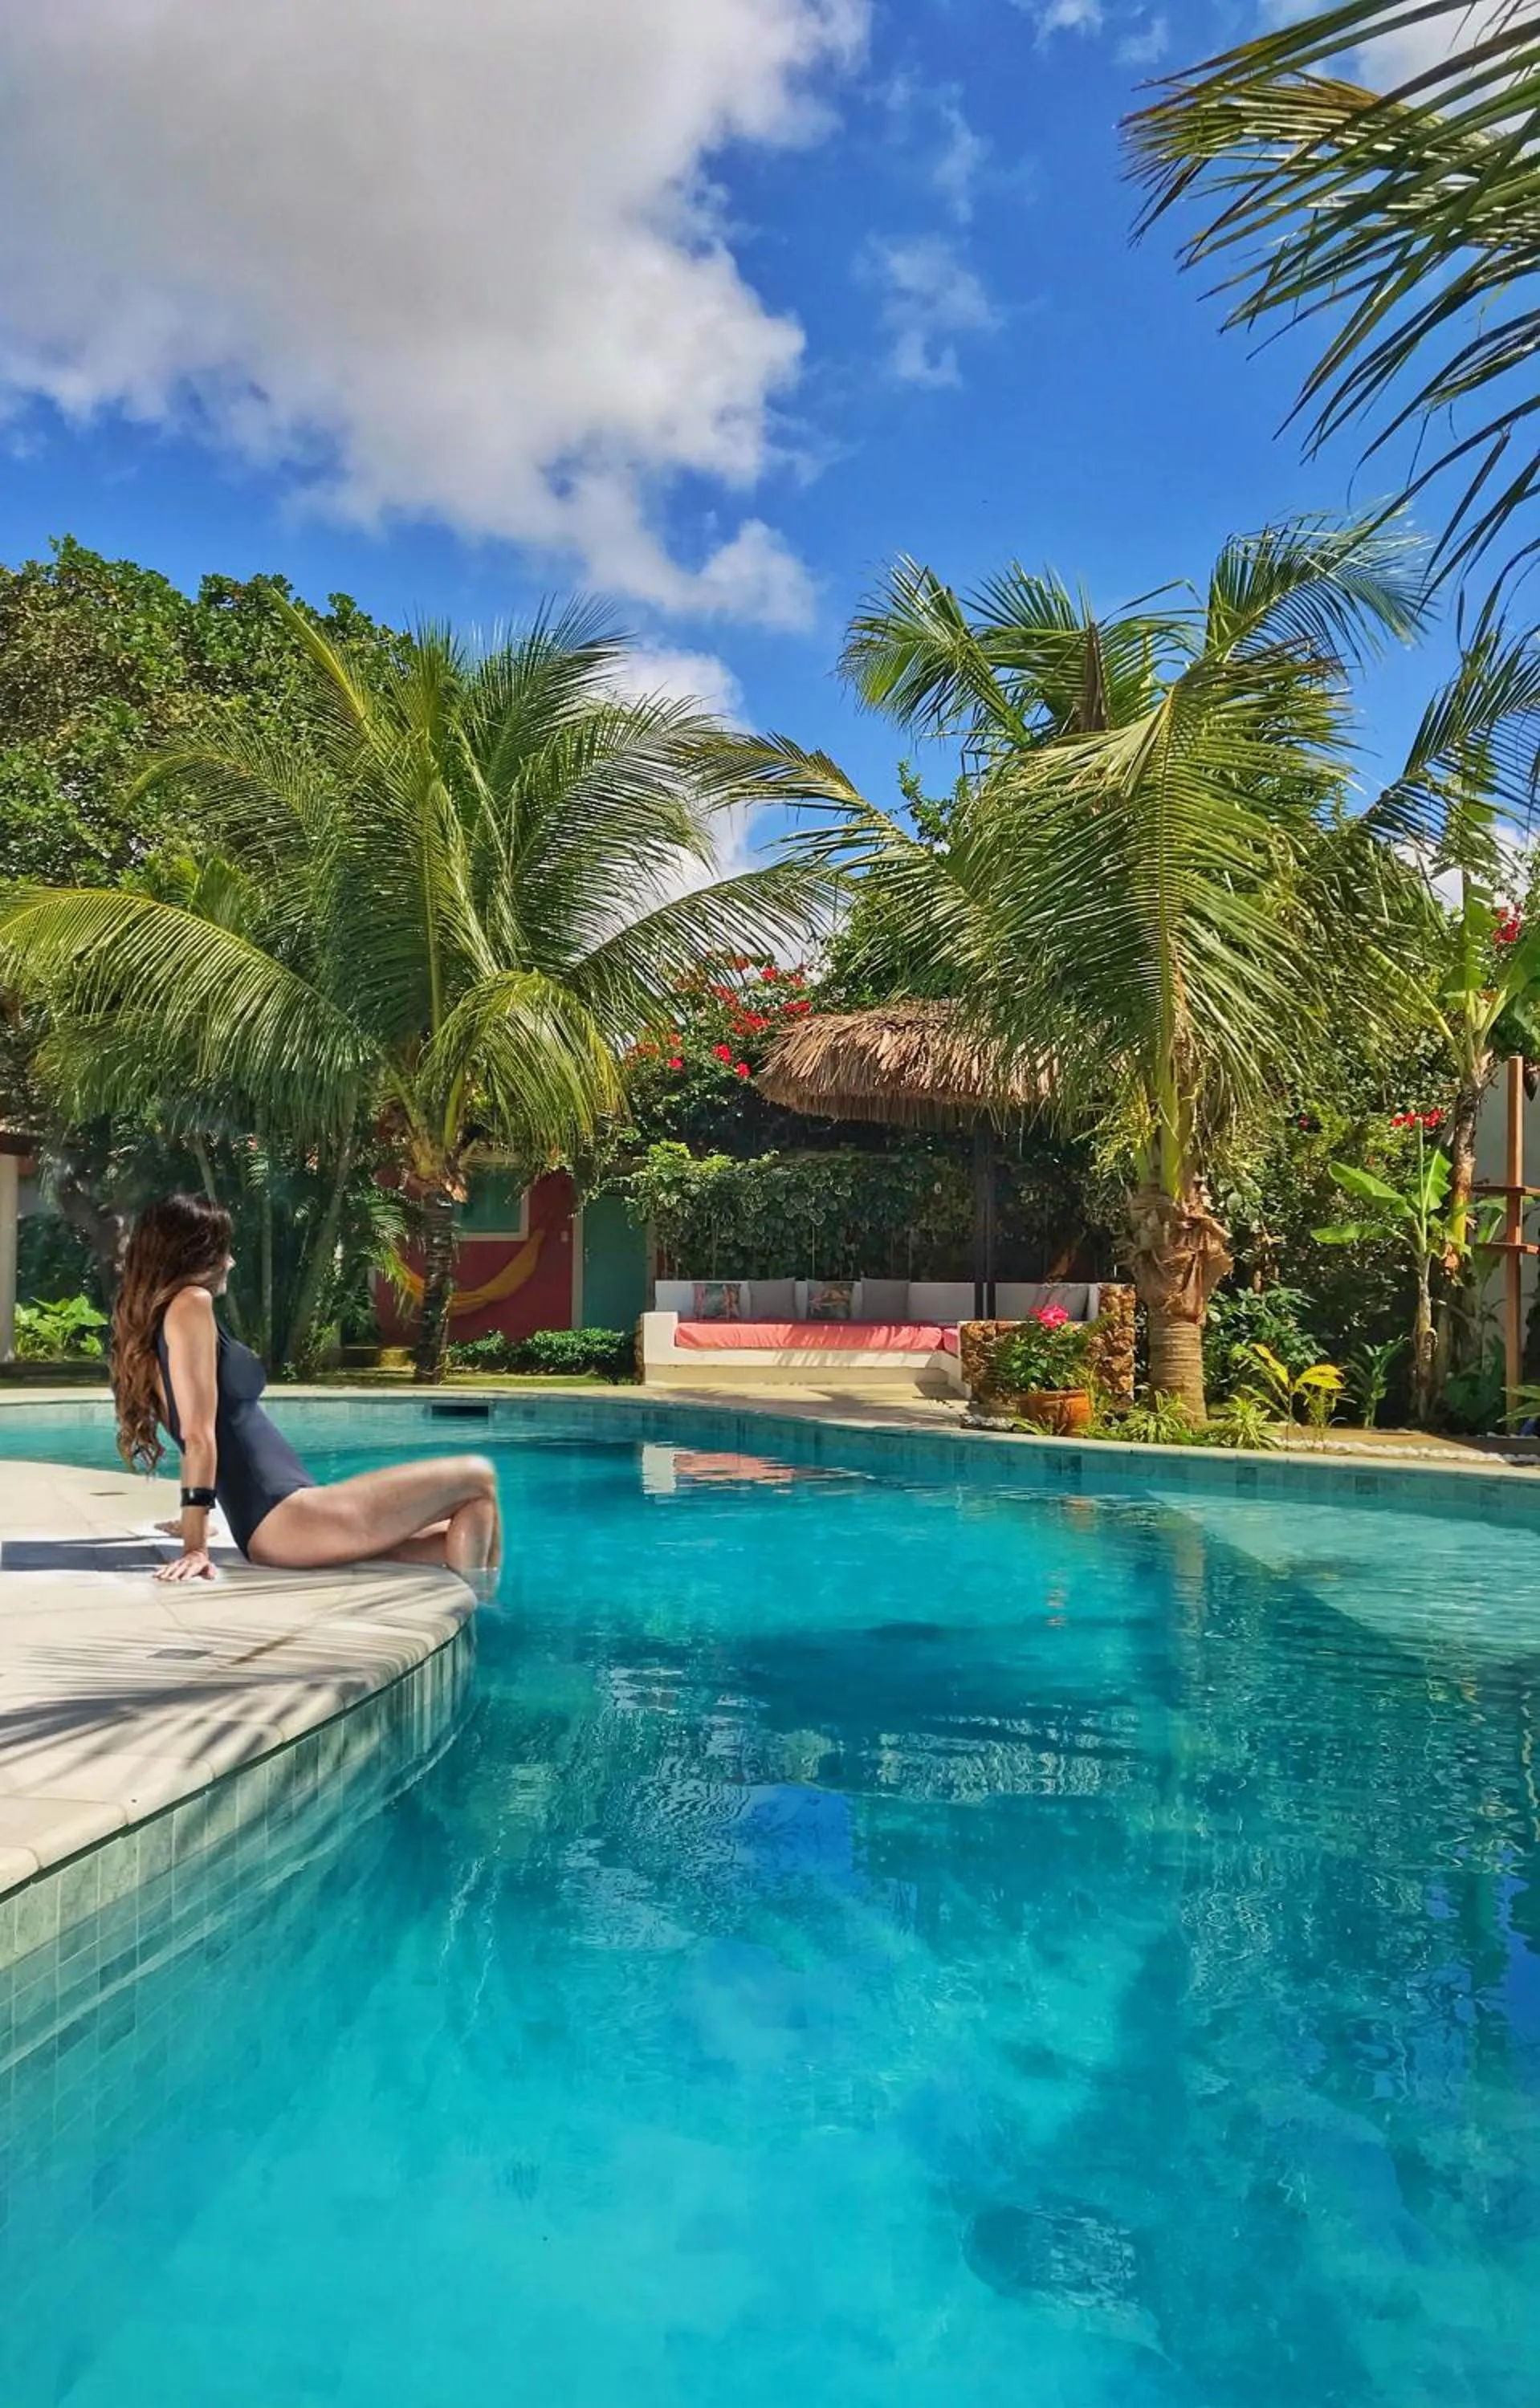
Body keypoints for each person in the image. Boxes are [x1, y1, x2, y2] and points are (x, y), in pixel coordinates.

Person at [112, 1193, 501, 1590]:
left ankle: (481, 1604)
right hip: (287, 1514)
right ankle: (490, 1614)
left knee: (460, 1525)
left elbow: (193, 1422)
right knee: (478, 1477)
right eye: (222, 1250)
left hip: (290, 1520)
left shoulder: (159, 1328)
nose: (230, 1261)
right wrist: (195, 1546)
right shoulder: (191, 1303)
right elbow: (197, 1435)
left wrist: (196, 1518)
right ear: (192, 1254)